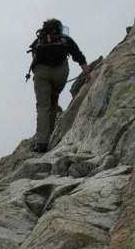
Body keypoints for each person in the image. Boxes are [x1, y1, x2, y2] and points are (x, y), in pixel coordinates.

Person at [27, 18, 92, 153]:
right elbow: (78, 56)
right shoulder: (64, 39)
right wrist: (88, 75)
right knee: (53, 100)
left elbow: (34, 60)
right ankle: (49, 135)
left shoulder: (39, 41)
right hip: (60, 73)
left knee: (43, 106)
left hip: (41, 74)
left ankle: (42, 143)